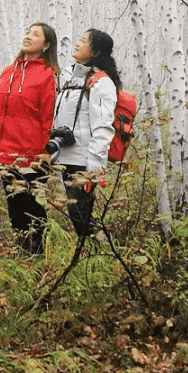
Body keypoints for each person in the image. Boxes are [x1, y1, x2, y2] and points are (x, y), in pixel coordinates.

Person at [0, 23, 59, 254]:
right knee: (14, 206)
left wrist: (44, 152)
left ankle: (38, 254)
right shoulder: (8, 71)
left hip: (32, 154)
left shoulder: (47, 75)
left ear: (46, 45)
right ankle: (22, 252)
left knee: (32, 207)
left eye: (35, 35)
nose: (28, 37)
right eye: (28, 32)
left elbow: (48, 117)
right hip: (5, 153)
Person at [49, 29, 121, 238]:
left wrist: (95, 167)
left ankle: (96, 254)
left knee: (80, 212)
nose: (78, 43)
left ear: (96, 52)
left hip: (84, 160)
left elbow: (103, 126)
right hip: (65, 156)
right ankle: (89, 254)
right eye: (79, 38)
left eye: (84, 41)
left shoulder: (101, 82)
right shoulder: (69, 78)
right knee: (77, 213)